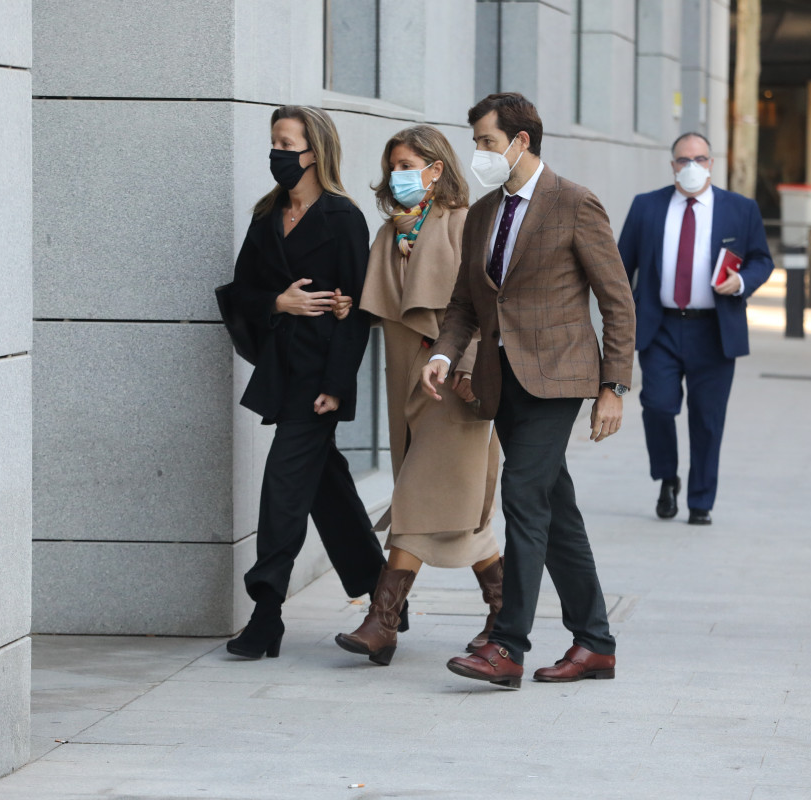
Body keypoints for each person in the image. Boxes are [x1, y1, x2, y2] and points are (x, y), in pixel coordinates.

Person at [419, 93, 636, 689]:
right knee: (554, 509)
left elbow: (616, 300)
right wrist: (443, 353)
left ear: (521, 140)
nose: (479, 154)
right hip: (500, 379)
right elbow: (467, 302)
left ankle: (507, 645)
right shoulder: (485, 212)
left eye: (487, 142)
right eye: (478, 143)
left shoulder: (575, 203)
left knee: (521, 495)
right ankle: (595, 644)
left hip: (559, 377)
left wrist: (613, 386)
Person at [330, 125, 504, 667]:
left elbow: (482, 307)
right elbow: (376, 304)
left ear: (436, 167)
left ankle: (381, 622)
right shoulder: (391, 233)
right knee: (452, 516)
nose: (399, 176)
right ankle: (503, 609)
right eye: (394, 167)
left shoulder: (463, 224)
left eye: (409, 165)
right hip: (409, 386)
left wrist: (472, 368)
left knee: (417, 499)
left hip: (456, 384)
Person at [221, 105, 387, 659]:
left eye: (286, 143)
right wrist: (278, 301)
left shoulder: (344, 218)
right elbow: (241, 290)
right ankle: (388, 598)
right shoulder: (266, 214)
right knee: (325, 488)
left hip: (320, 376)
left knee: (282, 488)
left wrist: (339, 384)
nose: (277, 154)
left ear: (313, 152)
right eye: (273, 142)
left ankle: (266, 613)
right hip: (281, 371)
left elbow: (358, 308)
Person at [617, 132, 774, 525]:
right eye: (683, 160)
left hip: (715, 330)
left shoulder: (740, 209)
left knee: (707, 419)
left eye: (699, 159)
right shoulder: (646, 207)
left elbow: (761, 259)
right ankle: (667, 478)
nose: (691, 167)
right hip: (661, 328)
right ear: (672, 165)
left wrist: (740, 283)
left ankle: (701, 501)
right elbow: (621, 266)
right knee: (656, 406)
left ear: (711, 163)